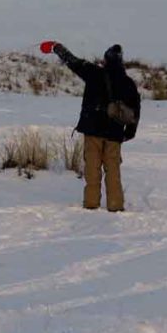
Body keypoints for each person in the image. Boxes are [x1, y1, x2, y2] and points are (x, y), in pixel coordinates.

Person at [42, 41, 141, 211]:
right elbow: (135, 111)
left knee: (92, 171)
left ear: (105, 60)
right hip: (115, 134)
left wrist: (56, 47)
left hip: (93, 131)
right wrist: (129, 133)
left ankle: (91, 205)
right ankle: (115, 206)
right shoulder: (128, 84)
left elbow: (73, 61)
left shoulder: (93, 72)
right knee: (113, 173)